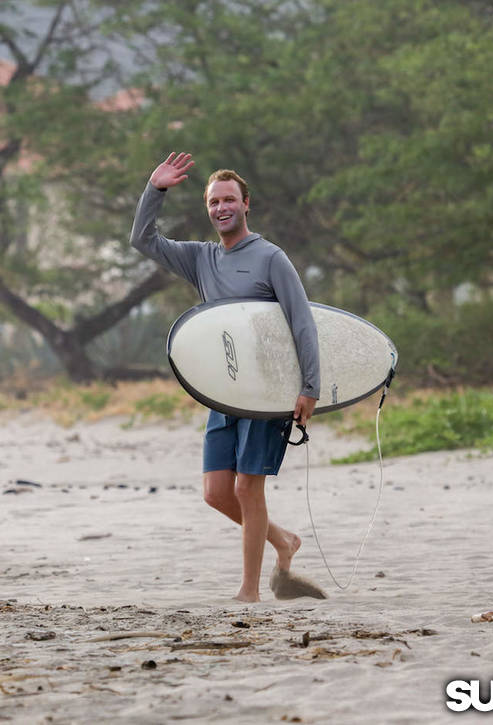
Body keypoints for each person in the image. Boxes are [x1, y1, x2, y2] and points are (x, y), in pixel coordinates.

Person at [130, 151, 322, 602]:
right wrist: (154, 189)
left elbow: (303, 322)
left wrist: (309, 387)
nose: (221, 208)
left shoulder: (272, 258)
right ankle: (283, 540)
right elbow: (143, 240)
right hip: (223, 393)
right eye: (213, 202)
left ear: (246, 203)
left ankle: (249, 590)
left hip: (266, 393)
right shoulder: (201, 259)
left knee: (247, 487)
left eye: (229, 199)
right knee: (217, 493)